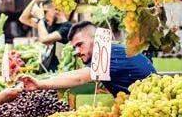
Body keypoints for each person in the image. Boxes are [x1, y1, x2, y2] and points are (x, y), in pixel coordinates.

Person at [21, 21, 155, 97]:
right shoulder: (113, 50)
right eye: (75, 47)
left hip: (150, 108)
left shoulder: (106, 53)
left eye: (80, 45)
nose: (77, 52)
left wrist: (40, 84)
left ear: (95, 39)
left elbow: (79, 78)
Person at [19, 0, 73, 72]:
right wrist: (36, 0)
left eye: (45, 12)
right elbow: (23, 18)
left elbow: (45, 39)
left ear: (57, 9)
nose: (44, 15)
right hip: (47, 73)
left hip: (58, 74)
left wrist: (40, 18)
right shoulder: (49, 24)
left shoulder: (67, 27)